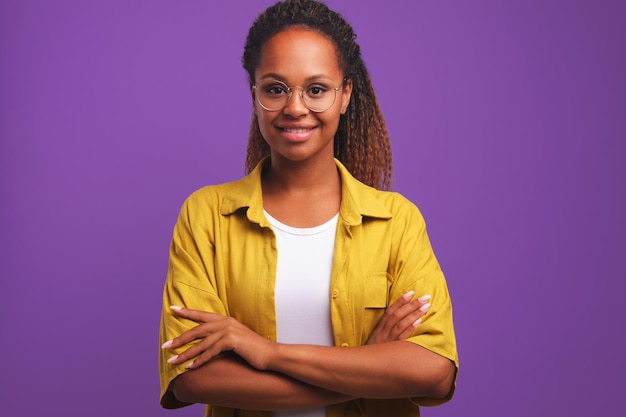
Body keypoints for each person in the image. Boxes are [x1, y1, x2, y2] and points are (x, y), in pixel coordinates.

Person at [158, 1, 458, 416]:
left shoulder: (397, 221)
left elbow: (433, 371)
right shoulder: (206, 215)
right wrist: (368, 369)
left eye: (316, 89)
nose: (295, 107)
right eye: (275, 88)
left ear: (345, 95)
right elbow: (192, 375)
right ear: (255, 94)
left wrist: (268, 353)